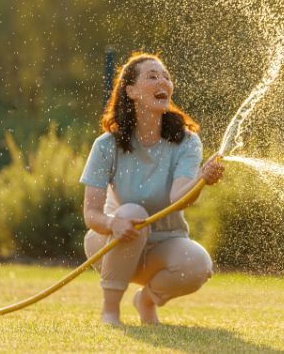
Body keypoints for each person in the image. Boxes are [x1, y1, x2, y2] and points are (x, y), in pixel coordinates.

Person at [81, 52, 225, 326]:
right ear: (131, 91)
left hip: (164, 244)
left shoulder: (187, 141)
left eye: (166, 77)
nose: (164, 82)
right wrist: (114, 224)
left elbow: (178, 198)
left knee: (198, 265)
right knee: (133, 212)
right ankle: (110, 311)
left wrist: (202, 179)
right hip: (111, 242)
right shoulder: (106, 145)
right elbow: (91, 214)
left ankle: (146, 300)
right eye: (153, 76)